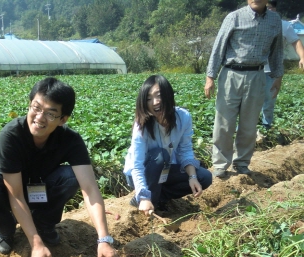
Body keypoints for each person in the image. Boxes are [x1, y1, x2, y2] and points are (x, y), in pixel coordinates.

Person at [0, 77, 121, 257]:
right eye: (36, 108)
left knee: (72, 176)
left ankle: (44, 223)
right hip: (8, 193)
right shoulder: (12, 135)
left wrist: (104, 239)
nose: (39, 117)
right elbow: (15, 194)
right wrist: (35, 243)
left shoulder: (70, 140)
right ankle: (5, 228)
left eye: (50, 113)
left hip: (40, 191)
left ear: (63, 119)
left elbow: (90, 189)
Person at [205, 0, 283, 178]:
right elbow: (218, 48)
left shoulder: (274, 20)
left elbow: (276, 51)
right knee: (224, 122)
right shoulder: (234, 17)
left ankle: (241, 163)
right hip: (231, 74)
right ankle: (220, 164)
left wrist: (278, 76)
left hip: (257, 75)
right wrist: (210, 77)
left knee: (249, 124)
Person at [123, 75, 212, 216]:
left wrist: (192, 177)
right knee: (160, 155)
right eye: (148, 99)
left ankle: (157, 197)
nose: (155, 102)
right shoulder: (142, 125)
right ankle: (147, 197)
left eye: (159, 95)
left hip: (164, 169)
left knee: (204, 177)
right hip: (142, 171)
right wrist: (144, 196)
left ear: (168, 94)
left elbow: (185, 150)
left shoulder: (183, 117)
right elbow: (137, 164)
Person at [261, 0, 304, 130]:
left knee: (269, 99)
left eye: (270, 8)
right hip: (253, 69)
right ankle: (246, 129)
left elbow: (296, 42)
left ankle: (266, 127)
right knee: (249, 100)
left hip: (273, 70)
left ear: (275, 9)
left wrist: (302, 57)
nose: (268, 11)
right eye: (265, 8)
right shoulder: (255, 23)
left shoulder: (284, 25)